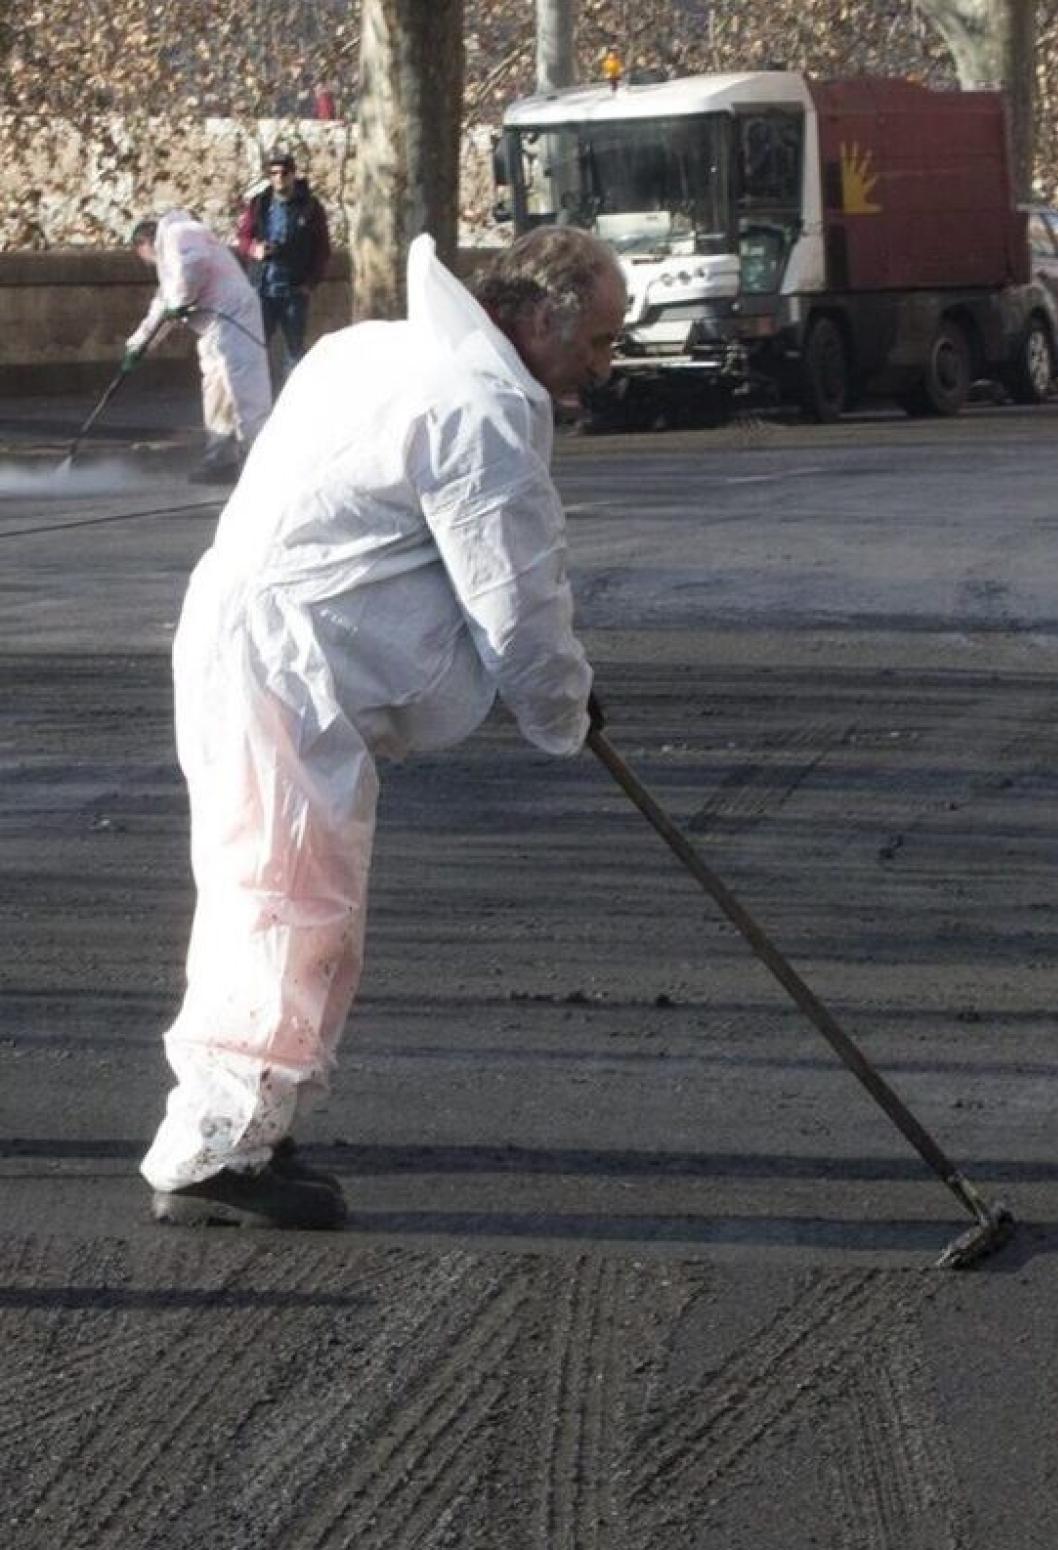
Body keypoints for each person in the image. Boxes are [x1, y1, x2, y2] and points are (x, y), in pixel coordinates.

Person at [141, 226, 628, 1229]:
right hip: (289, 666)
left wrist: (559, 700)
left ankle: (250, 1117)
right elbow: (515, 596)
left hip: (254, 639)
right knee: (286, 896)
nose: (603, 363)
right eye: (599, 340)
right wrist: (563, 708)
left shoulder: (374, 347)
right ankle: (217, 1147)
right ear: (538, 320)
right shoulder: (478, 408)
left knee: (273, 885)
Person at [128, 211, 272, 484]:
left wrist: (180, 301)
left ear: (143, 244)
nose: (147, 263)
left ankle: (260, 463)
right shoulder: (171, 258)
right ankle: (220, 460)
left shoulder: (177, 232)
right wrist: (139, 344)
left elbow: (194, 267)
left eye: (142, 257)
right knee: (216, 394)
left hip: (234, 317)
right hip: (213, 327)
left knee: (245, 391)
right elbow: (164, 304)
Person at [235, 146, 331, 382]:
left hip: (294, 289)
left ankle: (292, 401)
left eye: (284, 173)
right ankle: (259, 397)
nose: (279, 178)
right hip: (262, 288)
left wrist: (310, 283)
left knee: (295, 350)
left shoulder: (310, 207)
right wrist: (254, 249)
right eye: (274, 173)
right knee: (256, 346)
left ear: (293, 174)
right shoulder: (259, 204)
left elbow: (322, 249)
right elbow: (242, 237)